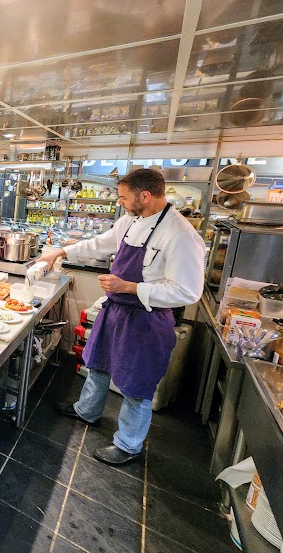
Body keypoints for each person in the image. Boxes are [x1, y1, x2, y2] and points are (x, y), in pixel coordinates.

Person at [41, 169, 205, 466]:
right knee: (98, 365)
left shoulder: (181, 235)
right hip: (116, 310)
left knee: (136, 386)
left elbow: (187, 291)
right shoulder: (130, 220)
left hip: (147, 320)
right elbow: (100, 243)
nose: (120, 202)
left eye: (123, 197)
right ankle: (86, 411)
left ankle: (128, 445)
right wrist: (61, 251)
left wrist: (129, 287)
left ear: (145, 196)